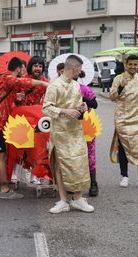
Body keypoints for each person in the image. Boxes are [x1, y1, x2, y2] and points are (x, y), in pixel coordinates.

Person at [0, 57, 49, 199]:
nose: (24, 71)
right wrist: (44, 84)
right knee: (1, 156)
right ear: (18, 68)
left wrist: (17, 99)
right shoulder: (6, 78)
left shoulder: (4, 80)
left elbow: (10, 100)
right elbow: (23, 81)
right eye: (23, 68)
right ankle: (5, 189)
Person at [43, 55, 94, 214]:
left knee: (78, 164)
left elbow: (78, 104)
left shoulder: (76, 85)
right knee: (60, 166)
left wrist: (83, 107)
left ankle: (78, 199)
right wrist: (64, 111)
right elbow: (46, 108)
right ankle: (63, 200)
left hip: (76, 131)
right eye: (79, 70)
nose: (79, 73)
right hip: (60, 133)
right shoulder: (54, 85)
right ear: (73, 68)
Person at [109, 54, 138, 190]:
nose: (133, 67)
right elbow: (112, 97)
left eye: (135, 64)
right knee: (123, 147)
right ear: (125, 65)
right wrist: (120, 87)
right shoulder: (118, 78)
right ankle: (124, 176)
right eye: (130, 64)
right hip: (122, 118)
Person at [76, 71, 99, 197]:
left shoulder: (84, 89)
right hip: (70, 127)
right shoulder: (62, 89)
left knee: (90, 155)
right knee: (73, 155)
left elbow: (95, 104)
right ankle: (74, 184)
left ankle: (93, 183)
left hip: (86, 126)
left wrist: (83, 98)